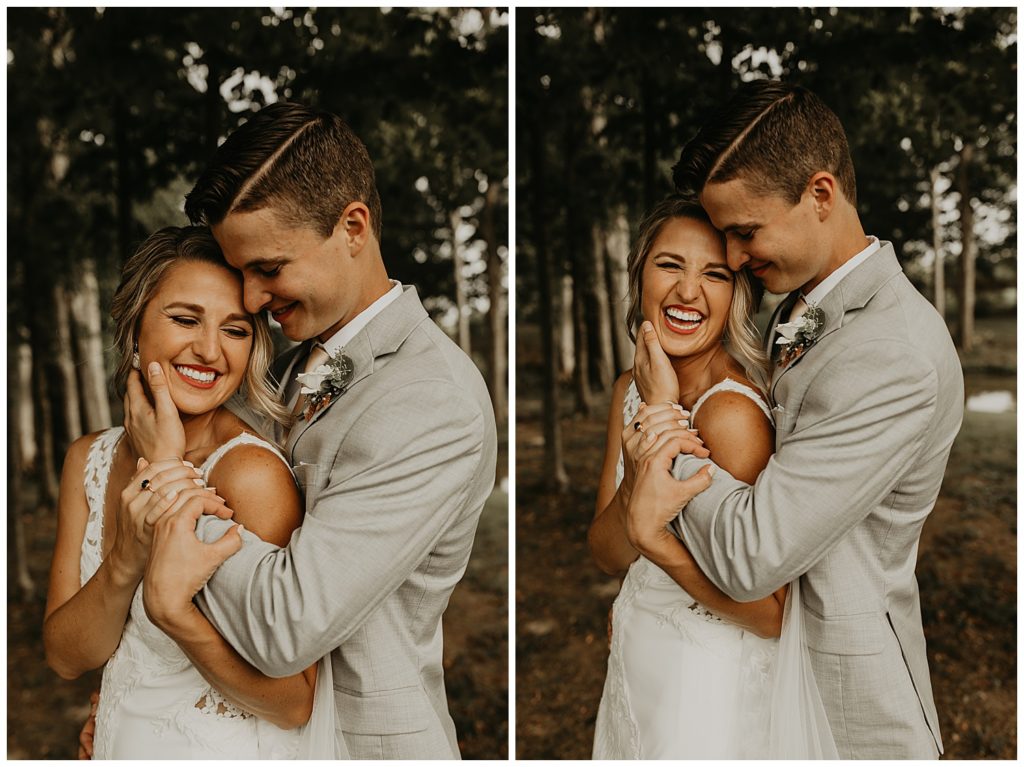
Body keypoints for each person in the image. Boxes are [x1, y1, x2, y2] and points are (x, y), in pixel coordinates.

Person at [124, 102, 497, 760]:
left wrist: (170, 475)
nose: (249, 298)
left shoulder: (432, 401)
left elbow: (285, 621)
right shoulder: (289, 364)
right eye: (240, 272)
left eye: (267, 269)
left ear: (353, 226)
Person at [626, 80, 962, 759]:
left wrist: (663, 417)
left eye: (745, 232)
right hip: (759, 687)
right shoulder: (795, 309)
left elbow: (753, 553)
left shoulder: (892, 352)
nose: (735, 257)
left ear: (820, 194)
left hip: (845, 712)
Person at [44, 226, 337, 758]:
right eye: (184, 319)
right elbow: (67, 657)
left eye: (236, 330)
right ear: (134, 326)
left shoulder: (250, 475)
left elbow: (292, 703)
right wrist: (128, 555)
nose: (208, 351)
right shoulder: (88, 460)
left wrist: (163, 475)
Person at [589, 196, 835, 759]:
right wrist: (643, 465)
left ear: (736, 295)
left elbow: (774, 616)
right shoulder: (632, 390)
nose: (688, 292)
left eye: (715, 274)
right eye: (670, 265)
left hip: (706, 679)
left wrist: (657, 543)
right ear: (639, 275)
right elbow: (606, 555)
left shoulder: (732, 417)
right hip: (636, 658)